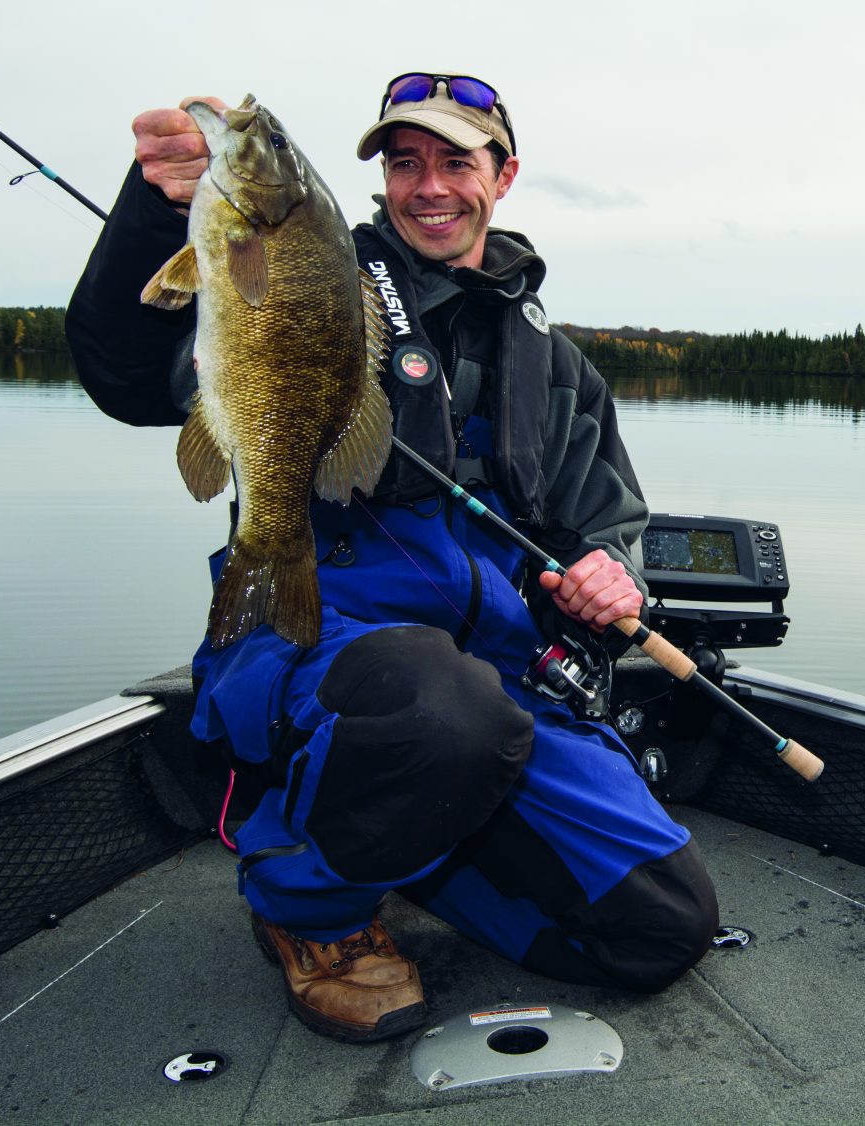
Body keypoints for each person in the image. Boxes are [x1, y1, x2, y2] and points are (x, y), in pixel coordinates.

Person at [66, 72, 717, 1044]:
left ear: (504, 177)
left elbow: (604, 517)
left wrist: (610, 569)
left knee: (660, 929)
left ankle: (410, 840)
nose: (429, 188)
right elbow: (126, 373)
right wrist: (158, 210)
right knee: (437, 710)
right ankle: (307, 911)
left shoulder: (558, 364)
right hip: (327, 642)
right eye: (404, 164)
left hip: (496, 680)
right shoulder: (313, 265)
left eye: (457, 162)